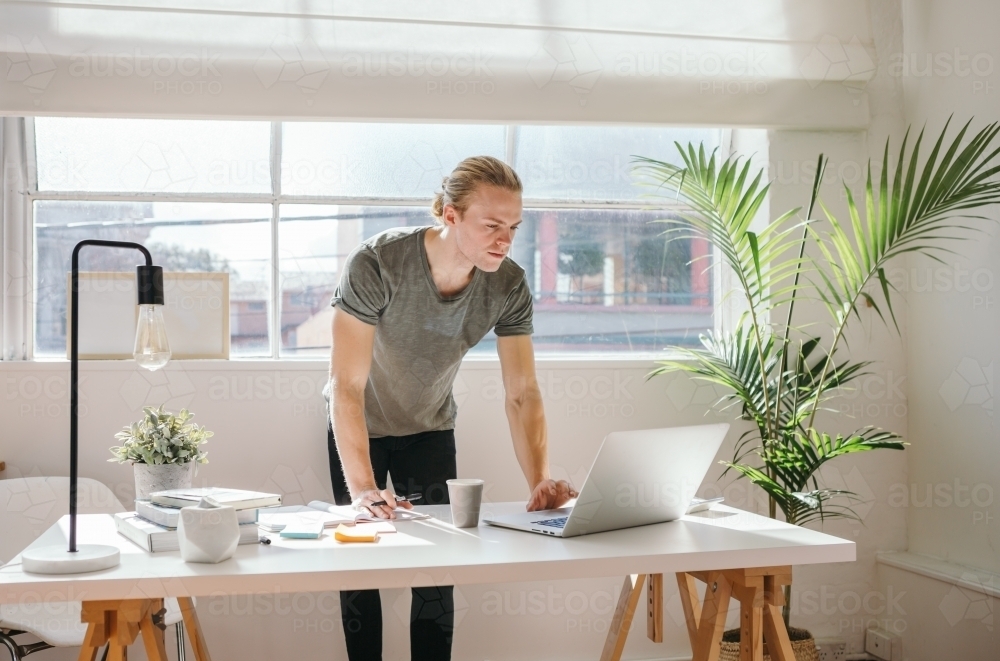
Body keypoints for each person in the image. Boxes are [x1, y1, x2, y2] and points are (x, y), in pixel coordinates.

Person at [323, 155, 576, 661]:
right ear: (449, 214)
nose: (504, 240)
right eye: (490, 225)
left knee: (439, 573)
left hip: (430, 428)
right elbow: (346, 386)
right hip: (359, 428)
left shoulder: (507, 284)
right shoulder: (377, 263)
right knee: (361, 570)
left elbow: (522, 391)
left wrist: (540, 480)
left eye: (512, 227)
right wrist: (365, 490)